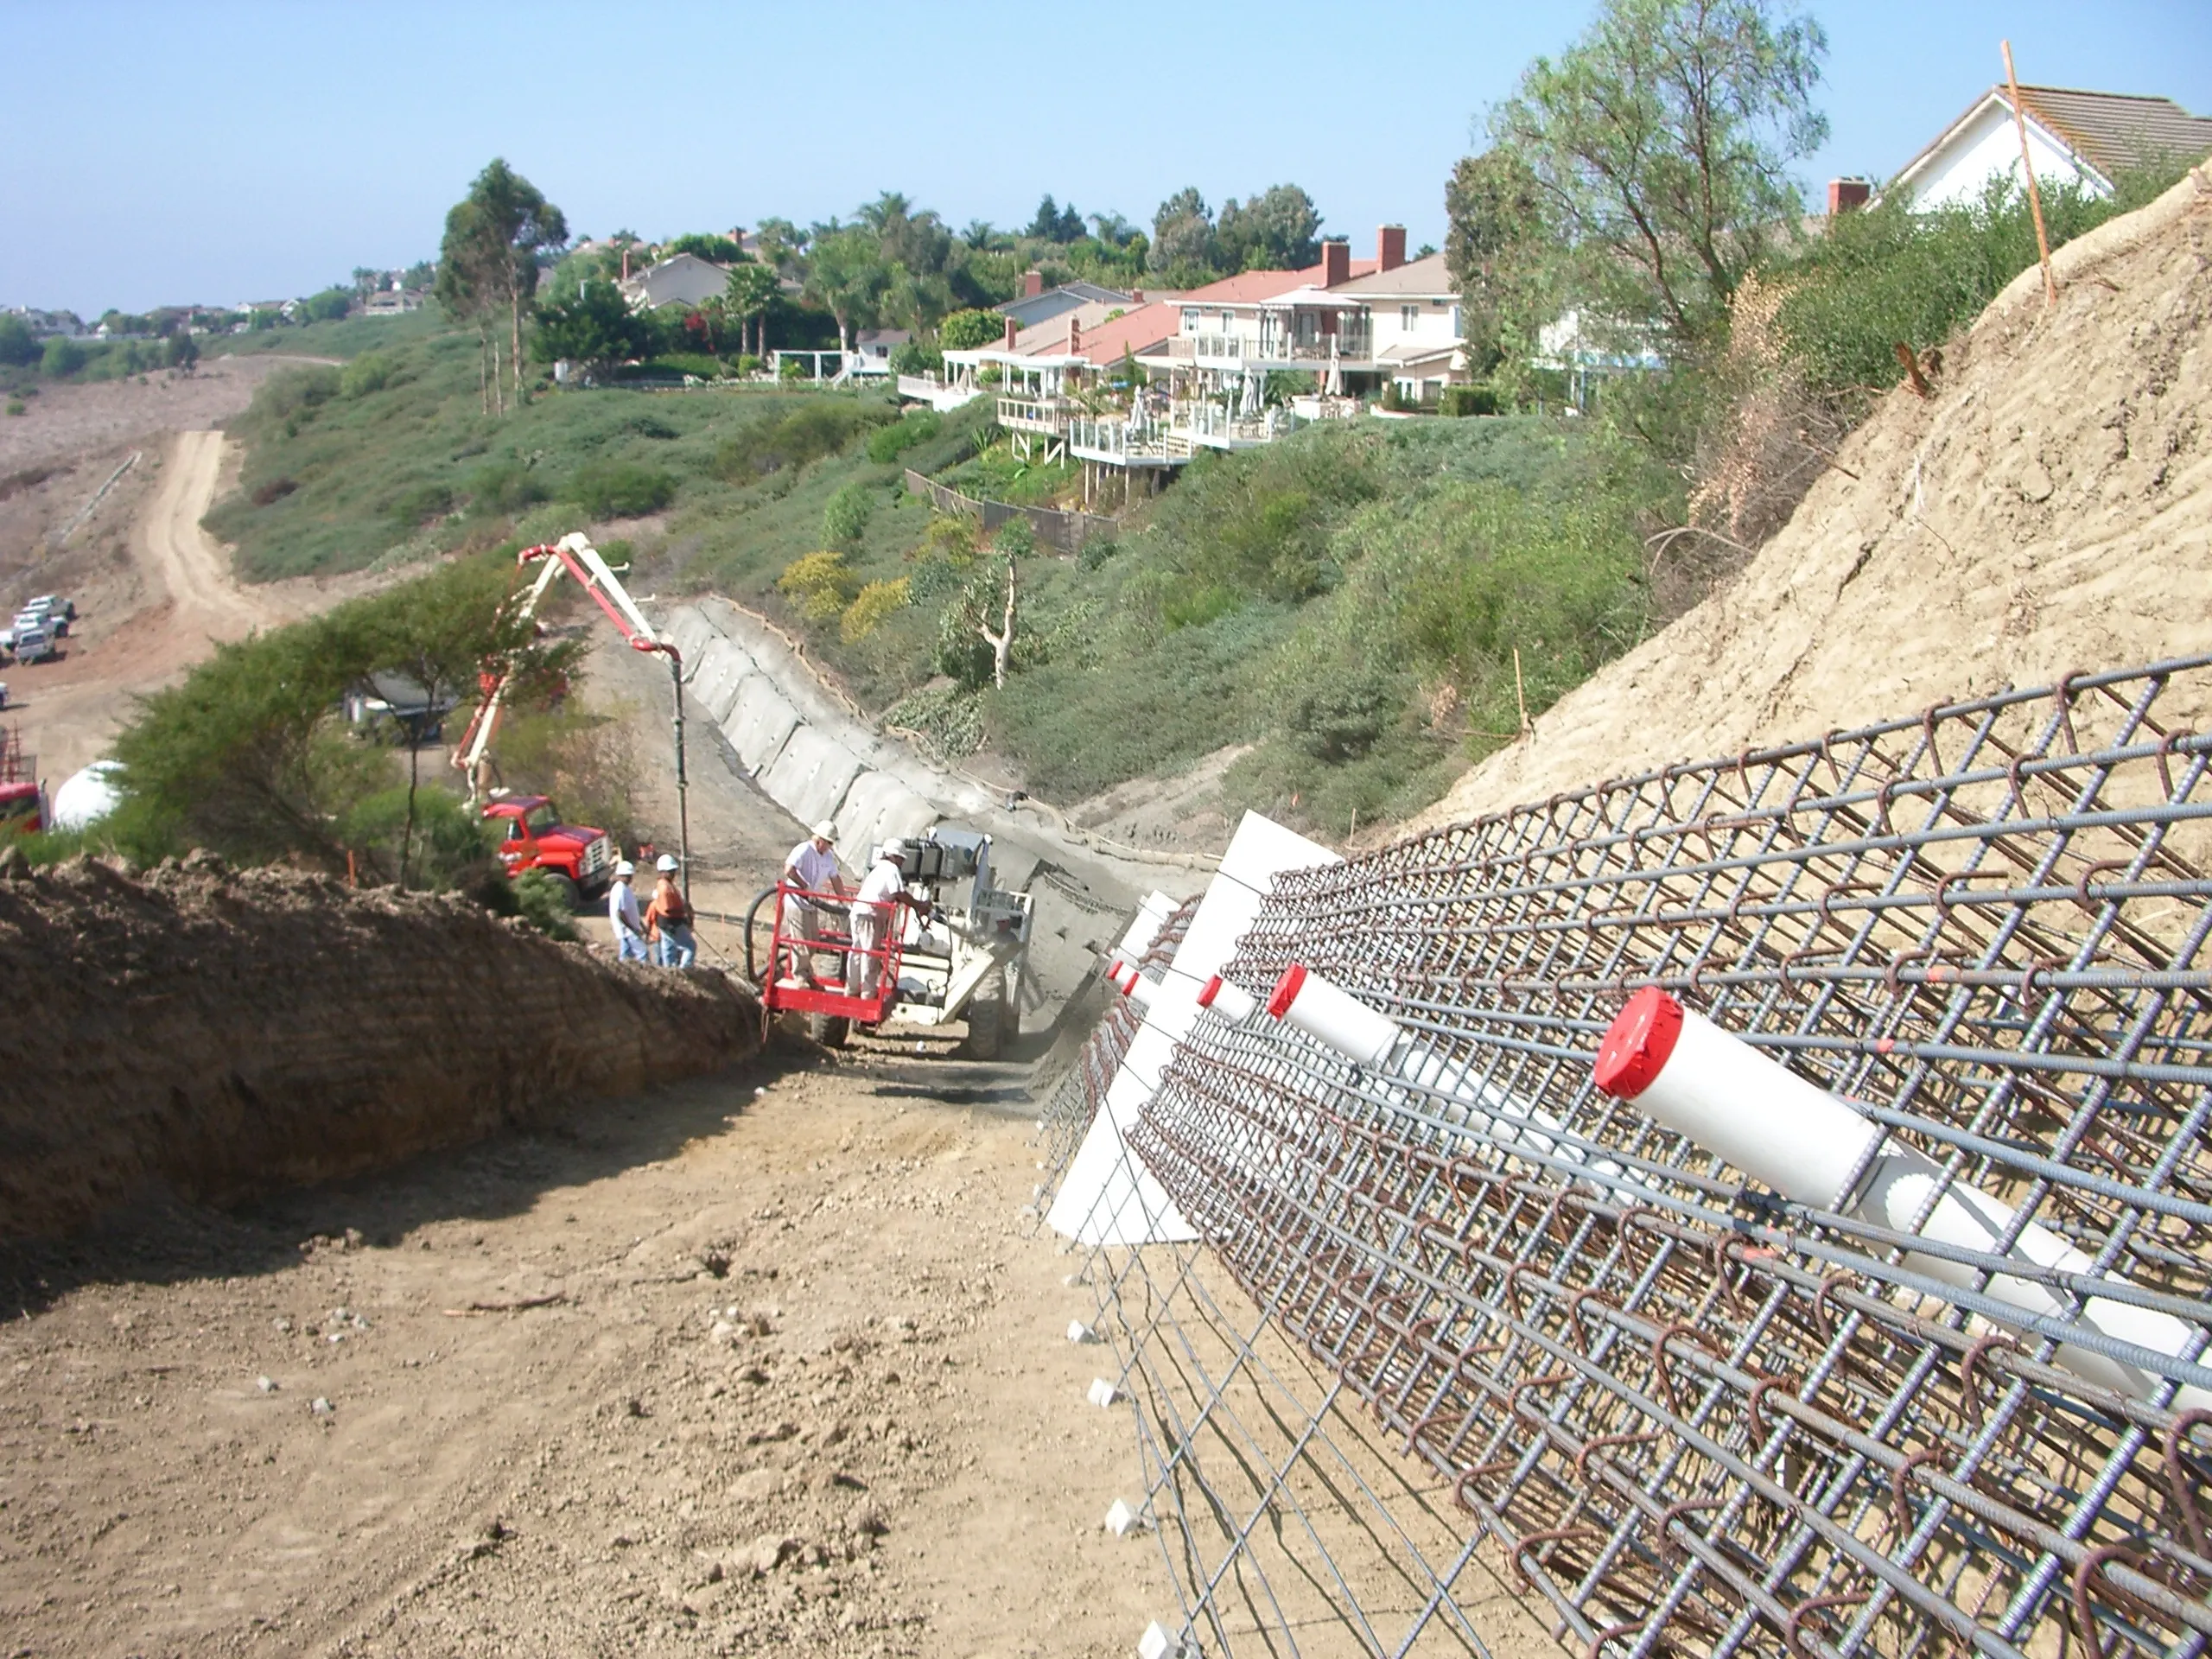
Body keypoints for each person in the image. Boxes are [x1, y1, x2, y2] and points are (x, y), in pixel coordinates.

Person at [850, 837, 931, 1003]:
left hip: (859, 912)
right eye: (901, 859)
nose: (901, 863)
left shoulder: (879, 869)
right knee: (870, 956)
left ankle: (851, 989)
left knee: (857, 951)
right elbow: (899, 893)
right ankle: (867, 995)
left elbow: (894, 894)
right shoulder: (891, 869)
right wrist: (919, 905)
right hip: (871, 916)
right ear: (894, 856)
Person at [779, 820, 847, 985]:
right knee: (801, 941)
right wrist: (804, 886)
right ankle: (800, 977)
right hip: (796, 901)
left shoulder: (828, 857)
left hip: (811, 902)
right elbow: (789, 869)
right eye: (829, 843)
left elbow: (835, 878)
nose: (830, 846)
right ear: (820, 840)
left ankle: (807, 973)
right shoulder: (804, 850)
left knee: (813, 941)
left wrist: (843, 901)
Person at [645, 853, 696, 969]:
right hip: (672, 924)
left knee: (669, 950)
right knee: (690, 946)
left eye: (673, 871)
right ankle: (685, 971)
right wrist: (684, 915)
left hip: (665, 925)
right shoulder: (665, 888)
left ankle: (670, 972)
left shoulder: (666, 886)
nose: (673, 873)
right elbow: (668, 909)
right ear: (662, 872)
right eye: (670, 871)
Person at [607, 860, 649, 963]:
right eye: (627, 875)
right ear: (619, 875)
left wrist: (642, 926)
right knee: (643, 953)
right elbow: (620, 913)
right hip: (627, 930)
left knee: (626, 957)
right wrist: (633, 929)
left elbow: (632, 910)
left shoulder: (626, 888)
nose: (630, 878)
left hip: (629, 929)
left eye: (630, 875)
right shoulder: (619, 890)